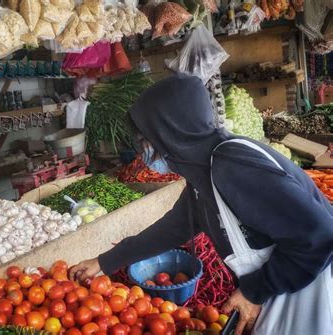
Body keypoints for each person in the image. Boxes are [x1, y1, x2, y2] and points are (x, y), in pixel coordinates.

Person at [70, 73, 333, 335]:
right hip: (282, 287)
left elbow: (319, 236)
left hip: (305, 288)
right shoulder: (204, 171)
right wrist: (104, 262)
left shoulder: (232, 165)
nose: (143, 150)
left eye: (145, 139)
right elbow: (174, 227)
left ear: (169, 133)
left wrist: (255, 290)